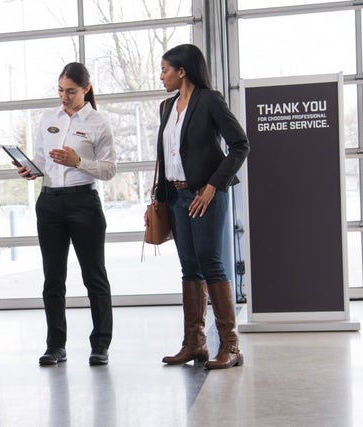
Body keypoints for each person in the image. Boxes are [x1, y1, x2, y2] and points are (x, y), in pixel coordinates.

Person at [150, 44, 250, 369]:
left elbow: (240, 144)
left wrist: (212, 186)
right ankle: (194, 343)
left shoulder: (209, 100)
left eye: (165, 69)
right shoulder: (166, 107)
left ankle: (231, 346)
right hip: (177, 197)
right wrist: (160, 194)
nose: (161, 75)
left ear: (182, 71)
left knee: (211, 263)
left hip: (205, 195)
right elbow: (169, 154)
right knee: (189, 267)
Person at [16, 62, 117, 366]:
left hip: (84, 203)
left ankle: (100, 345)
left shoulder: (98, 123)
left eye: (70, 91)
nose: (64, 96)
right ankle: (55, 346)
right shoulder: (49, 119)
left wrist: (77, 162)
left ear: (86, 89)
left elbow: (110, 170)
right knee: (53, 278)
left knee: (94, 277)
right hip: (49, 204)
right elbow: (41, 160)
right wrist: (30, 169)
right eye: (60, 90)